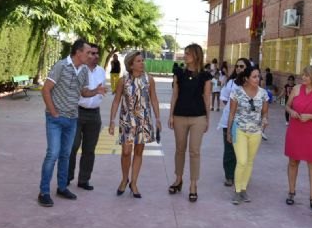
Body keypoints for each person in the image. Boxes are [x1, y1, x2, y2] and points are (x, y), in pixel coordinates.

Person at [39, 39, 106, 207]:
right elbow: (46, 89)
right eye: (88, 52)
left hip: (72, 119)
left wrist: (96, 91)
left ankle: (62, 187)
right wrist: (53, 112)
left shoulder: (82, 71)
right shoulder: (61, 66)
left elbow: (83, 92)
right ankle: (44, 192)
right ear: (78, 52)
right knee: (52, 154)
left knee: (66, 155)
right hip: (55, 119)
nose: (90, 55)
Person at [108, 51, 161, 198]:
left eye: (142, 60)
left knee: (138, 152)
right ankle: (125, 179)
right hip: (126, 120)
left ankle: (134, 183)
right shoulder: (123, 80)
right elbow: (117, 100)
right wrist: (112, 121)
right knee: (126, 152)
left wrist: (158, 119)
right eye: (138, 61)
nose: (142, 63)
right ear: (131, 65)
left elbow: (154, 99)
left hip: (143, 120)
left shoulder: (149, 79)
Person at [168, 43, 211, 202]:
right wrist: (171, 115)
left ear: (196, 56)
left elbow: (207, 98)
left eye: (188, 54)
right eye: (184, 53)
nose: (185, 56)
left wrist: (208, 118)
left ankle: (193, 185)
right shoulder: (178, 73)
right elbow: (174, 95)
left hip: (198, 117)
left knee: (194, 151)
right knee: (180, 149)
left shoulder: (205, 76)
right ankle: (178, 180)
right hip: (179, 115)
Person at [284, 65, 312, 213]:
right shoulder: (296, 89)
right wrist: (292, 112)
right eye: (303, 75)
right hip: (295, 130)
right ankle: (291, 191)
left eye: (307, 75)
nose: (303, 77)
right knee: (293, 161)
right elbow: (287, 106)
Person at [227, 64, 269, 205]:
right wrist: (228, 131)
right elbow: (231, 113)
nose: (257, 79)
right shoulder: (237, 92)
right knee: (242, 161)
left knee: (250, 161)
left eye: (259, 76)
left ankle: (243, 189)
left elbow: (264, 112)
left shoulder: (263, 93)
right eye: (254, 76)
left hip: (256, 132)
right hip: (239, 130)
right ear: (247, 78)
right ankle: (237, 191)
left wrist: (264, 120)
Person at [68, 43, 105, 190]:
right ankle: (67, 177)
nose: (95, 56)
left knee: (89, 149)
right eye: (92, 53)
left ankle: (84, 180)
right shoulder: (78, 70)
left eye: (97, 54)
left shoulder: (101, 71)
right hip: (77, 111)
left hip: (94, 114)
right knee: (73, 146)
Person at [217, 58, 251, 187]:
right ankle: (229, 176)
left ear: (247, 68)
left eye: (242, 66)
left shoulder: (252, 83)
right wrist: (231, 110)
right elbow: (224, 98)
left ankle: (241, 174)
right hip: (229, 122)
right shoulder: (231, 83)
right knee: (229, 150)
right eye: (237, 66)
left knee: (242, 150)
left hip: (246, 123)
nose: (238, 68)